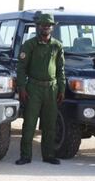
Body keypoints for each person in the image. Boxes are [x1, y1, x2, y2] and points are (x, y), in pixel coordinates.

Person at [15, 13, 65, 165]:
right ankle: (25, 156)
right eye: (43, 25)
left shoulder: (57, 45)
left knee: (50, 124)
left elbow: (61, 69)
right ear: (38, 26)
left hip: (51, 88)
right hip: (33, 88)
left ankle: (48, 155)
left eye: (49, 25)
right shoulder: (29, 45)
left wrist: (62, 88)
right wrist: (22, 87)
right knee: (29, 124)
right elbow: (21, 68)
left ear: (52, 27)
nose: (46, 27)